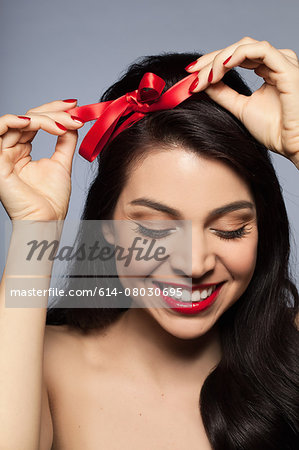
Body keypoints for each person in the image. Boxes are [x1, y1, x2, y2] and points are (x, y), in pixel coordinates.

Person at [0, 36, 298, 449]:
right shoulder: (44, 362)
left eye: (229, 228)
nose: (194, 264)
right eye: (156, 229)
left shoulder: (290, 351)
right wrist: (35, 225)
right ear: (106, 227)